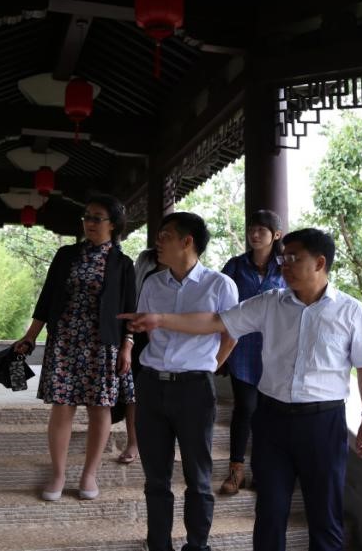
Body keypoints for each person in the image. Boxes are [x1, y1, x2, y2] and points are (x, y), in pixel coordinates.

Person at [122, 228, 362, 551]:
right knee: (269, 511)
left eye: (293, 258)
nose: (284, 264)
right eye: (283, 258)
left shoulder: (350, 310)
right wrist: (161, 319)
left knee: (324, 515)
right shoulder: (271, 303)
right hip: (272, 420)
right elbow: (216, 321)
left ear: (319, 263)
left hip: (322, 422)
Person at [14, 194, 136, 501]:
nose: (89, 222)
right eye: (87, 216)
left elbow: (130, 310)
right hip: (65, 341)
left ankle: (89, 474)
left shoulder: (123, 264)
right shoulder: (65, 255)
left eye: (97, 218)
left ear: (113, 224)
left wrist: (127, 347)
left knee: (100, 408)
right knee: (62, 407)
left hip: (102, 344)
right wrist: (30, 336)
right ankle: (58, 473)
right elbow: (46, 299)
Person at [134, 212, 238, 551]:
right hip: (152, 385)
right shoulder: (152, 284)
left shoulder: (219, 285)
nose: (157, 242)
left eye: (165, 235)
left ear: (187, 241)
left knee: (199, 477)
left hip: (194, 390)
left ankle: (197, 546)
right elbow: (147, 332)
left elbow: (231, 335)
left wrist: (206, 368)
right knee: (156, 478)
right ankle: (158, 545)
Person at [217, 209, 285, 496]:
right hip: (241, 348)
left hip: (276, 351)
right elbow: (220, 304)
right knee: (245, 408)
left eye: (261, 230)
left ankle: (263, 469)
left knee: (269, 414)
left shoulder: (285, 267)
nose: (254, 234)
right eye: (251, 229)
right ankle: (236, 471)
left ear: (276, 235)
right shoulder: (235, 266)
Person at [114, 247, 161, 465]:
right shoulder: (146, 260)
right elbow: (133, 303)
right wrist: (128, 341)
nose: (162, 240)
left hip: (172, 337)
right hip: (141, 335)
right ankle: (133, 442)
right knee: (135, 392)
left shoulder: (187, 270)